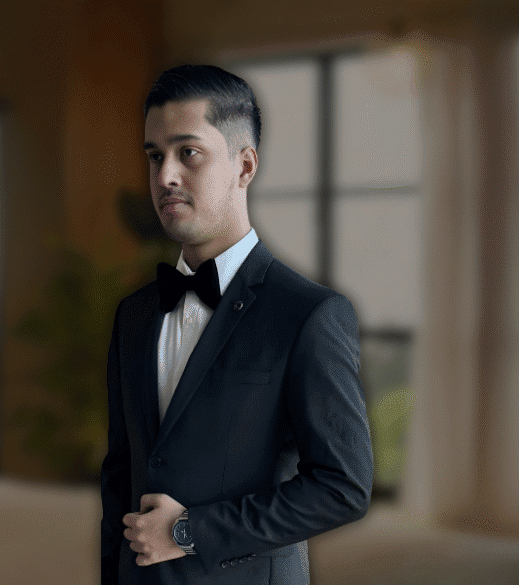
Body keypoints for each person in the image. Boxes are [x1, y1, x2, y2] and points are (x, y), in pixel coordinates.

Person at [100, 64, 373, 585]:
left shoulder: (309, 314)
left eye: (188, 153)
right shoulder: (133, 314)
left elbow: (343, 487)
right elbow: (119, 479)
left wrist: (188, 532)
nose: (165, 176)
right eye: (154, 156)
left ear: (245, 166)